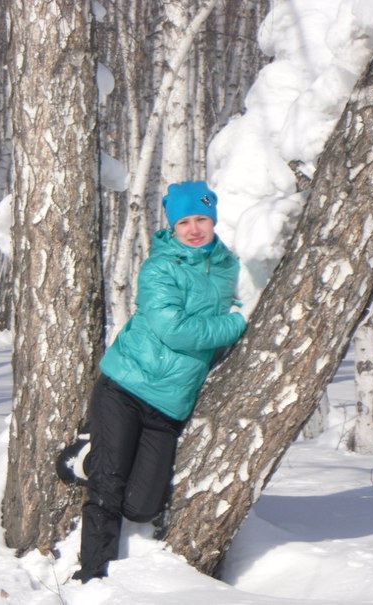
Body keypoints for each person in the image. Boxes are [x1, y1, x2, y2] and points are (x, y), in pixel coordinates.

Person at [59, 180, 247, 584]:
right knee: (108, 485)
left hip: (170, 403)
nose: (194, 229)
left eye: (201, 219)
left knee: (141, 507)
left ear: (213, 220)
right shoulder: (160, 266)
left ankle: (92, 458)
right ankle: (92, 574)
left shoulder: (230, 267)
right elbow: (173, 329)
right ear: (172, 227)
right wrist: (234, 325)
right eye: (184, 222)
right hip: (124, 387)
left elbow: (249, 297)